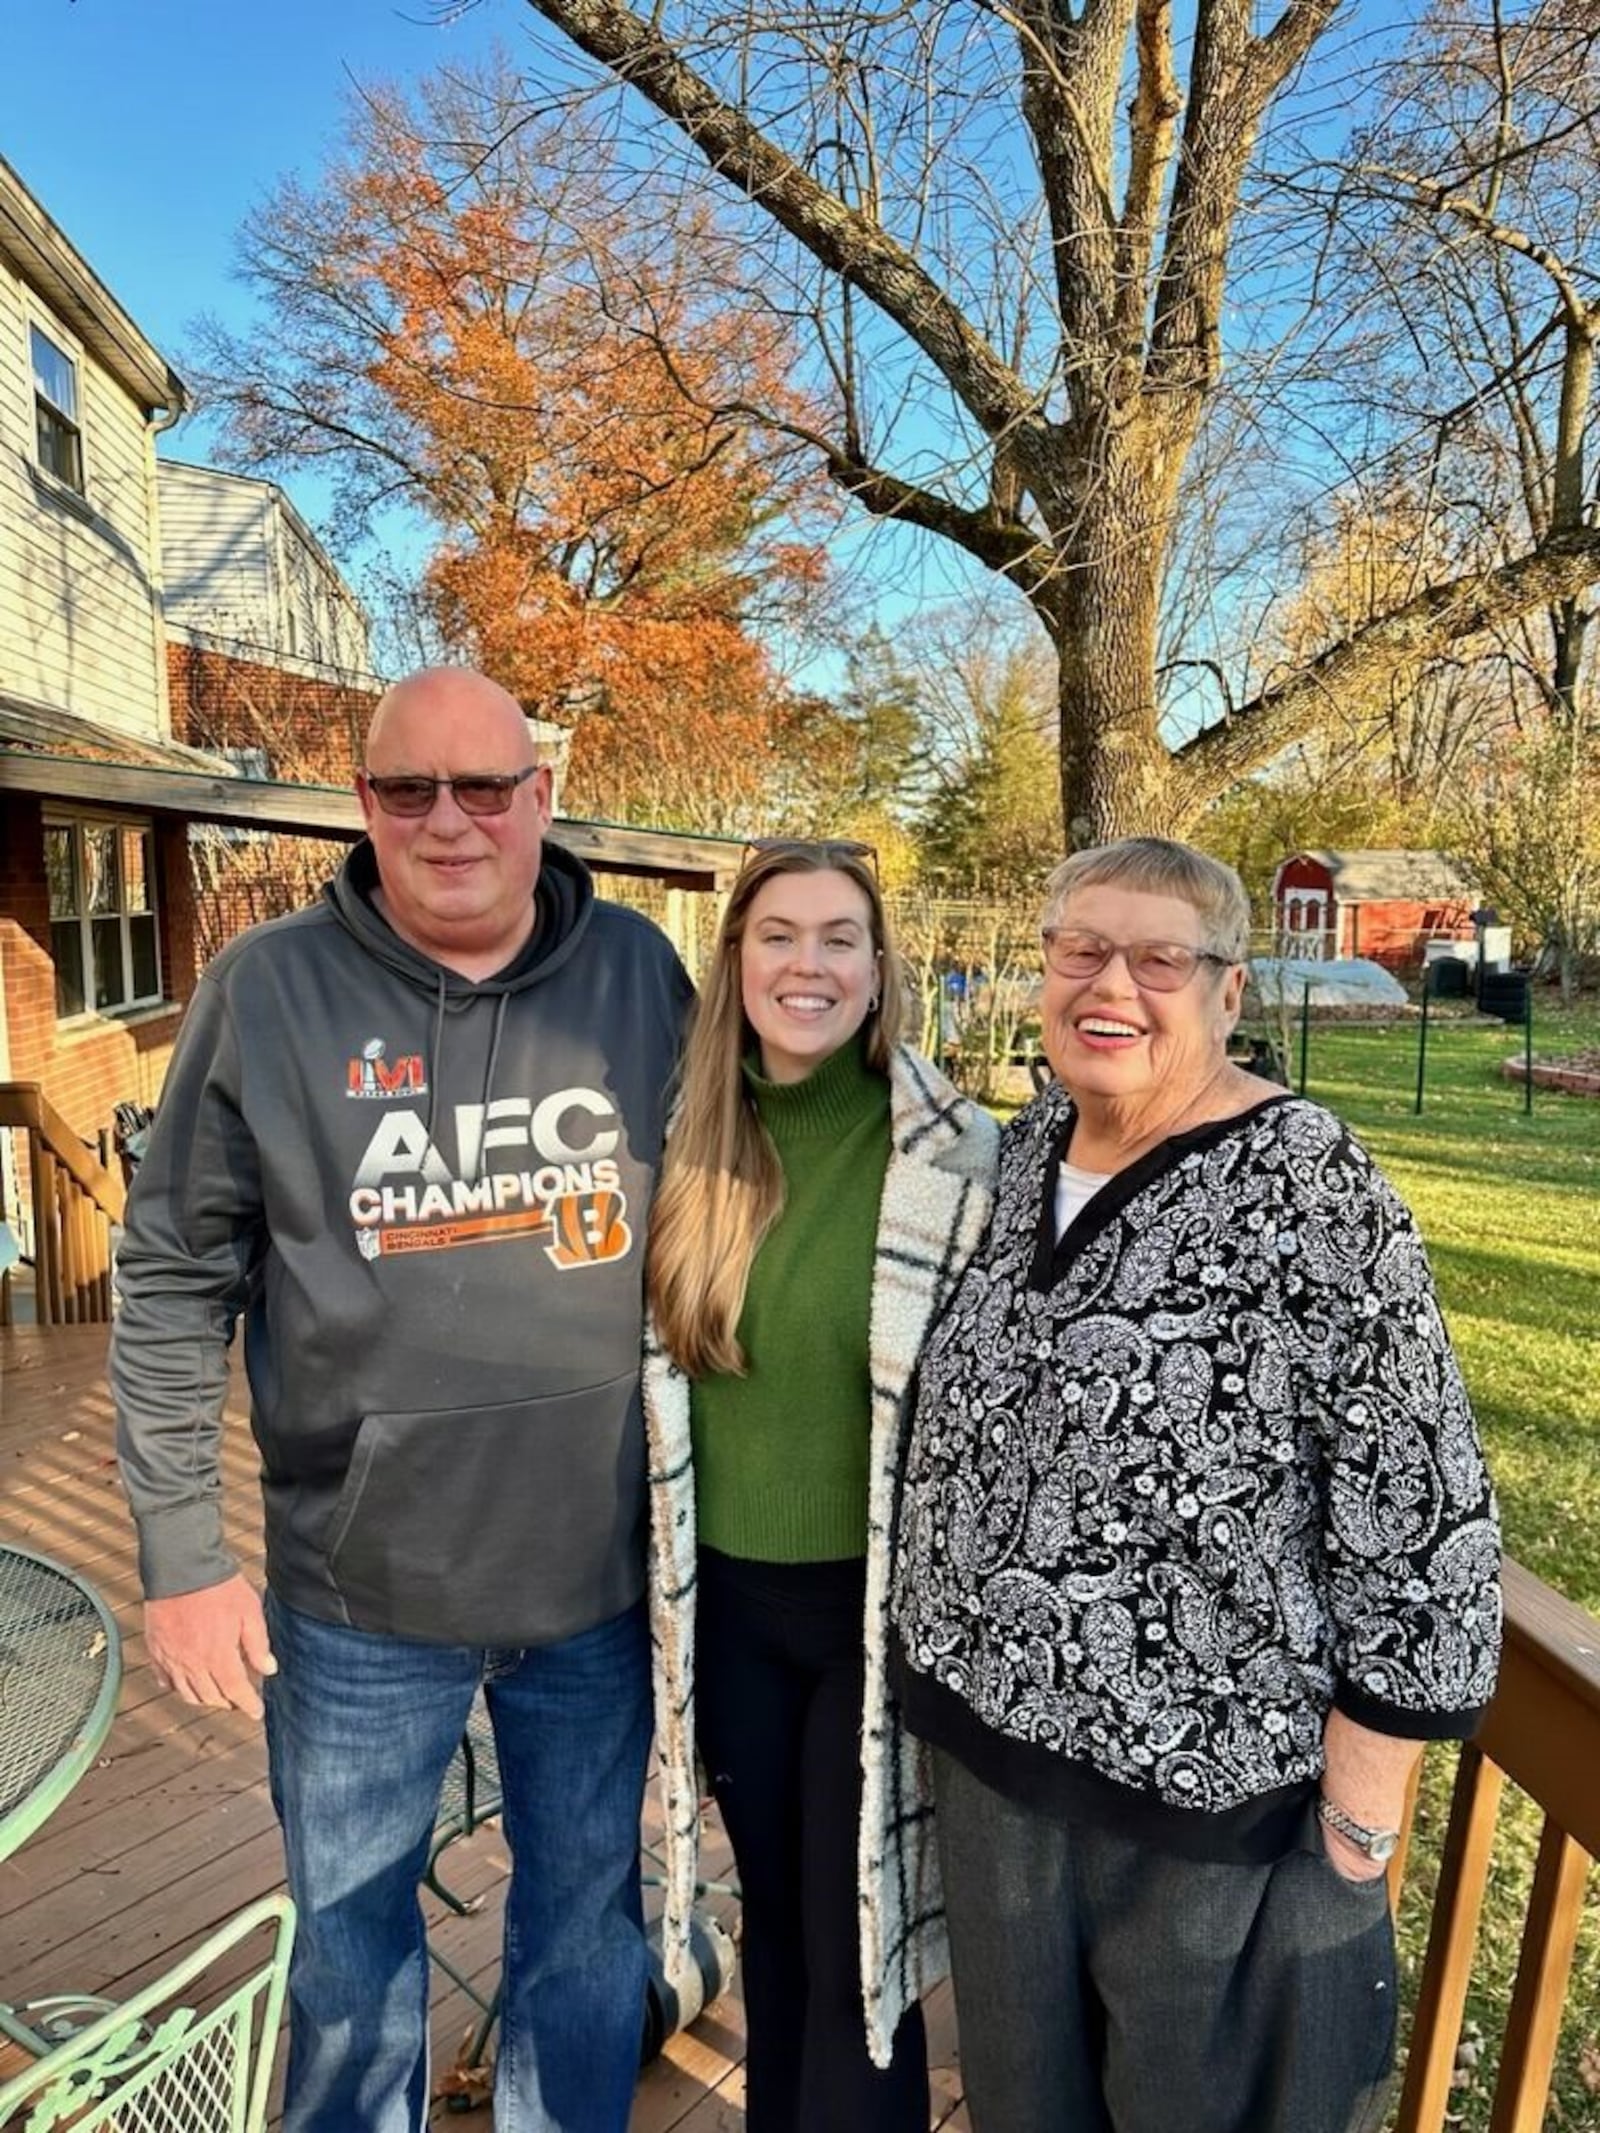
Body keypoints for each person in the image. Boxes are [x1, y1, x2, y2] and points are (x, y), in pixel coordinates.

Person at [111, 667, 693, 2133]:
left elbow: (752, 1201)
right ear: (363, 805)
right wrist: (183, 1555)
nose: (449, 820)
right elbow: (174, 1271)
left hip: (594, 1584)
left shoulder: (638, 976)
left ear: (541, 799)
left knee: (583, 1932)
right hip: (356, 1594)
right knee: (352, 1951)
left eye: (483, 785)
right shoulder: (268, 989)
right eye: (408, 789)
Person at [891, 837, 1503, 2133]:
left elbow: (1424, 1522)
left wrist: (1355, 1840)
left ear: (1229, 993)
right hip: (998, 1786)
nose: (1112, 980)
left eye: (1160, 955)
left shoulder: (1316, 1189)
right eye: (1081, 947)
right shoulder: (1024, 1150)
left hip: (1207, 1823)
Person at [641, 841, 999, 2132]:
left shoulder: (956, 1159)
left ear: (879, 965)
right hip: (728, 1613)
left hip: (874, 1614)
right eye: (779, 934)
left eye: (839, 936)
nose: (809, 962)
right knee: (783, 1935)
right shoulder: (685, 1146)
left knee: (862, 1952)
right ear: (736, 960)